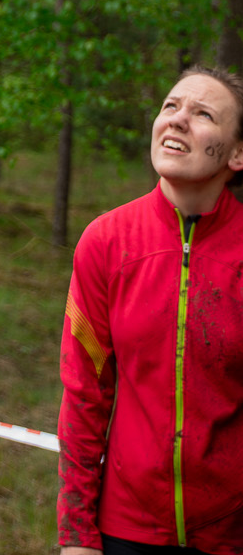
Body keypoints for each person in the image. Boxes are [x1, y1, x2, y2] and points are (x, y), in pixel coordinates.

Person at [59, 64, 243, 555]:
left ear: (237, 154)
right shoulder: (106, 242)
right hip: (126, 529)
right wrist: (77, 536)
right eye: (170, 106)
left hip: (230, 535)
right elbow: (84, 395)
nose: (178, 119)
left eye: (203, 114)